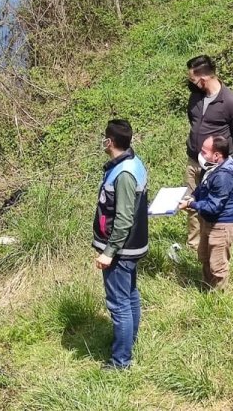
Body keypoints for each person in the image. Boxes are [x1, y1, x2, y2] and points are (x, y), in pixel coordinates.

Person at [92, 119, 149, 370]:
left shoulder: (124, 173)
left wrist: (108, 252)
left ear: (110, 142)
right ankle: (129, 341)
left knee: (118, 304)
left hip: (122, 249)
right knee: (129, 295)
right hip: (132, 245)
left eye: (105, 137)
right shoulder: (133, 162)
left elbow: (124, 218)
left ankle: (121, 361)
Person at [185, 55, 233, 251]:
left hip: (215, 166)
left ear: (203, 79)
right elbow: (194, 122)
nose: (190, 83)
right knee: (191, 203)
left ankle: (213, 243)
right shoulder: (195, 97)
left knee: (211, 205)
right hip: (193, 160)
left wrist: (224, 159)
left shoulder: (231, 103)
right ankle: (194, 245)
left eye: (192, 79)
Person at [178, 135, 233, 290]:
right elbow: (203, 187)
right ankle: (207, 289)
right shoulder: (213, 168)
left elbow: (214, 206)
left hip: (221, 225)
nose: (200, 154)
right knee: (205, 257)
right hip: (210, 221)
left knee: (218, 266)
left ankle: (219, 301)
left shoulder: (224, 176)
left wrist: (191, 204)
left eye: (204, 151)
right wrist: (193, 196)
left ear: (217, 155)